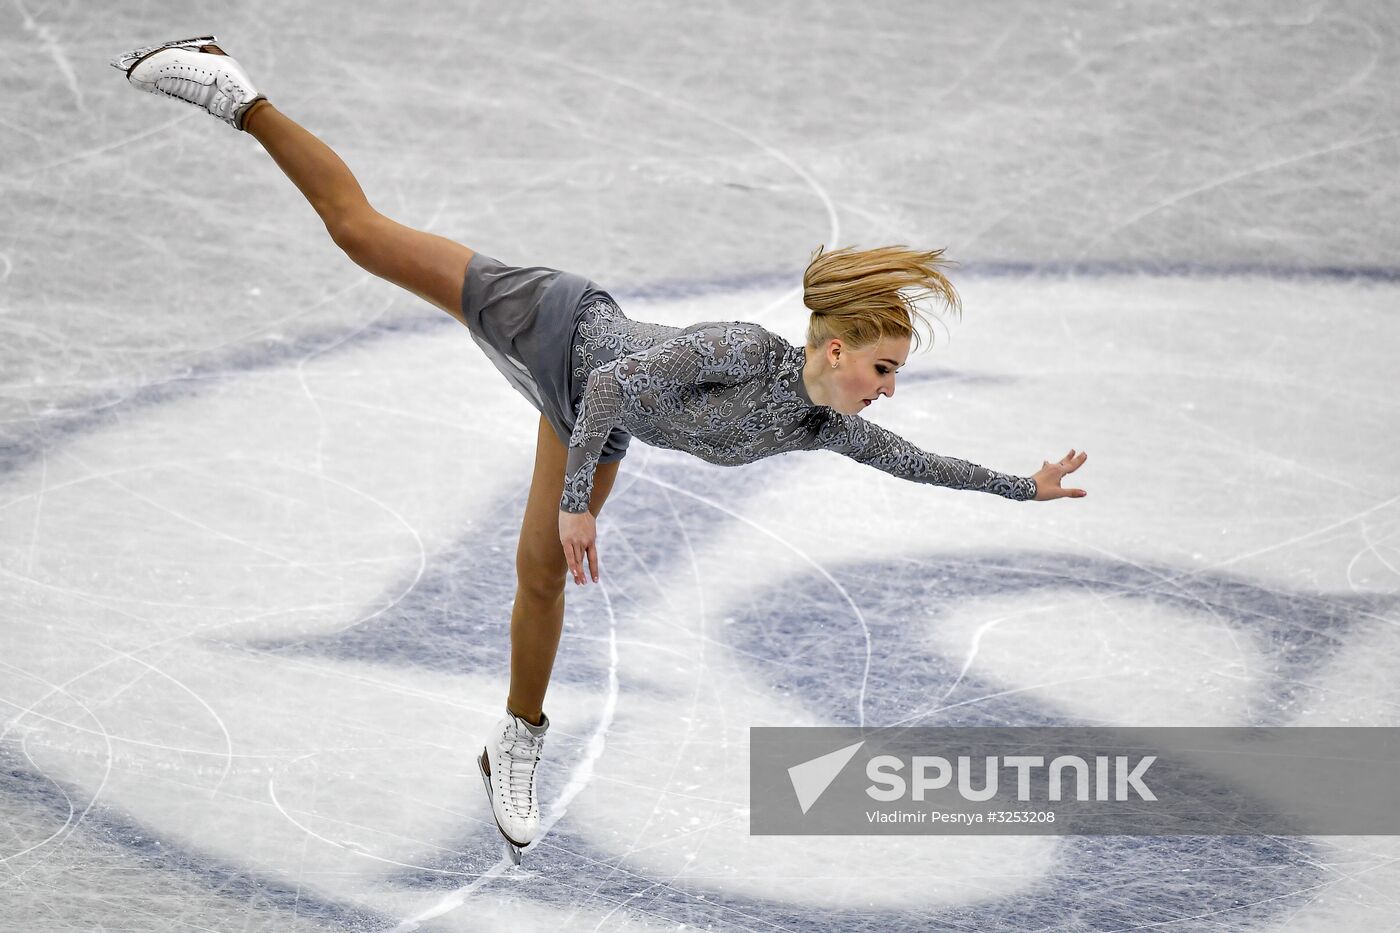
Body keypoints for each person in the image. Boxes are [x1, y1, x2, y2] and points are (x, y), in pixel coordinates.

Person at [111, 36, 1090, 862]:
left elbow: (914, 461)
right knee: (360, 235)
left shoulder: (817, 423)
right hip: (551, 325)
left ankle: (516, 743)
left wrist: (1022, 489)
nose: (886, 389)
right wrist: (579, 496)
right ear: (834, 350)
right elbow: (616, 379)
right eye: (881, 369)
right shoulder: (741, 351)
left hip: (590, 419)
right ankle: (233, 92)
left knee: (537, 575)